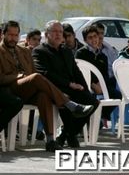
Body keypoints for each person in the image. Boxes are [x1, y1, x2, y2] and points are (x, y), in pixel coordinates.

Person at [0, 20, 93, 151]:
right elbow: (1, 78)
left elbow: (33, 72)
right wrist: (19, 76)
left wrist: (30, 78)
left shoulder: (24, 51)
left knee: (43, 95)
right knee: (37, 77)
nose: (13, 38)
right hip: (10, 90)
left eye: (16, 35)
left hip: (28, 88)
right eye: (10, 35)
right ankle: (69, 104)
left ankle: (50, 140)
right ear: (3, 35)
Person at [32, 21, 98, 149]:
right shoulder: (39, 51)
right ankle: (69, 136)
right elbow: (44, 73)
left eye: (60, 32)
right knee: (67, 100)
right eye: (54, 32)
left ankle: (66, 134)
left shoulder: (66, 51)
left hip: (71, 87)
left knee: (92, 102)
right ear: (47, 34)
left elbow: (76, 72)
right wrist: (69, 84)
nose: (58, 35)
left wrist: (84, 88)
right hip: (53, 89)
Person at [75, 25, 121, 122]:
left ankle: (100, 115)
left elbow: (104, 74)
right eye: (90, 37)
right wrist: (92, 85)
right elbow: (78, 73)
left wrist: (100, 85)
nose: (94, 39)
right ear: (85, 40)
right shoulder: (81, 53)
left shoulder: (102, 56)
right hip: (85, 85)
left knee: (118, 95)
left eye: (95, 36)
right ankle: (92, 117)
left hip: (99, 85)